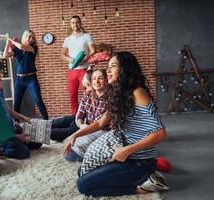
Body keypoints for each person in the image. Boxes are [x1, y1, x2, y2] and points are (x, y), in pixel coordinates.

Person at [64, 51, 167, 197]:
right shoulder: (119, 93)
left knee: (83, 185)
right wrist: (75, 135)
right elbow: (100, 123)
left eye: (113, 66)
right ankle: (132, 177)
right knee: (82, 171)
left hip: (139, 162)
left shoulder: (138, 92)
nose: (108, 70)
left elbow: (160, 133)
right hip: (124, 154)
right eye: (109, 66)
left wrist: (126, 150)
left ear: (124, 69)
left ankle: (143, 188)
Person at [0, 67, 42, 158]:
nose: (1, 80)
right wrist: (17, 137)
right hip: (2, 136)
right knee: (24, 152)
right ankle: (3, 149)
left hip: (11, 130)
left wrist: (23, 118)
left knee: (38, 142)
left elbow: (10, 111)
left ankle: (17, 142)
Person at [63, 68, 109, 162]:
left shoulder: (111, 98)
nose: (96, 81)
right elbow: (79, 117)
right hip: (85, 128)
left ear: (106, 81)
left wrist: (78, 134)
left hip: (102, 132)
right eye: (94, 78)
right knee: (66, 143)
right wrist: (82, 126)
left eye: (100, 78)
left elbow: (99, 125)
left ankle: (94, 157)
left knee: (70, 154)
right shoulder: (87, 95)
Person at [3, 30, 48, 120]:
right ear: (25, 37)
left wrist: (12, 41)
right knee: (17, 103)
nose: (31, 39)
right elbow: (5, 55)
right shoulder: (16, 50)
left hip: (31, 79)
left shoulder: (33, 48)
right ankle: (16, 124)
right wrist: (7, 44)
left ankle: (47, 122)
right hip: (19, 80)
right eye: (29, 37)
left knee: (38, 100)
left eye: (33, 37)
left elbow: (22, 47)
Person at [61, 15, 96, 114]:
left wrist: (84, 58)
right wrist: (72, 59)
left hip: (84, 69)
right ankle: (74, 116)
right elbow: (62, 55)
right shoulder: (68, 39)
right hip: (72, 70)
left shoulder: (86, 36)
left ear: (80, 23)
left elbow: (93, 50)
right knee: (72, 94)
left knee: (88, 92)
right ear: (70, 24)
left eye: (77, 22)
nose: (75, 24)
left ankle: (90, 114)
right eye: (72, 23)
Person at [50, 69, 94, 142]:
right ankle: (34, 125)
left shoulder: (93, 94)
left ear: (87, 81)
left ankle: (33, 132)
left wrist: (81, 125)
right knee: (62, 120)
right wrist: (79, 120)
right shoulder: (86, 94)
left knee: (52, 132)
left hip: (82, 126)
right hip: (78, 120)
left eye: (84, 78)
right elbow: (80, 112)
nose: (82, 79)